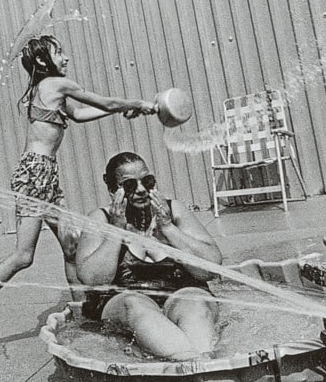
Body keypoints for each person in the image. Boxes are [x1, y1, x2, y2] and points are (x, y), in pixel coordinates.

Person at [0, 35, 160, 346]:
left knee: (71, 247)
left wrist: (119, 111)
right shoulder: (55, 84)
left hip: (47, 175)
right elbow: (105, 102)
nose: (65, 57)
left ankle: (85, 313)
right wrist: (138, 104)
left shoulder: (51, 90)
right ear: (43, 61)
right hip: (34, 175)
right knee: (24, 256)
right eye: (59, 53)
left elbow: (80, 115)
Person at [76, 152, 222, 360]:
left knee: (195, 302)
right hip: (125, 300)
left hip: (180, 293)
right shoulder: (101, 219)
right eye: (129, 185)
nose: (142, 190)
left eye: (147, 181)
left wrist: (168, 228)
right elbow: (93, 281)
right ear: (112, 190)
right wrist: (116, 230)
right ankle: (190, 361)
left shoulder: (173, 210)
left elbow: (210, 269)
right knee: (134, 303)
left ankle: (202, 364)